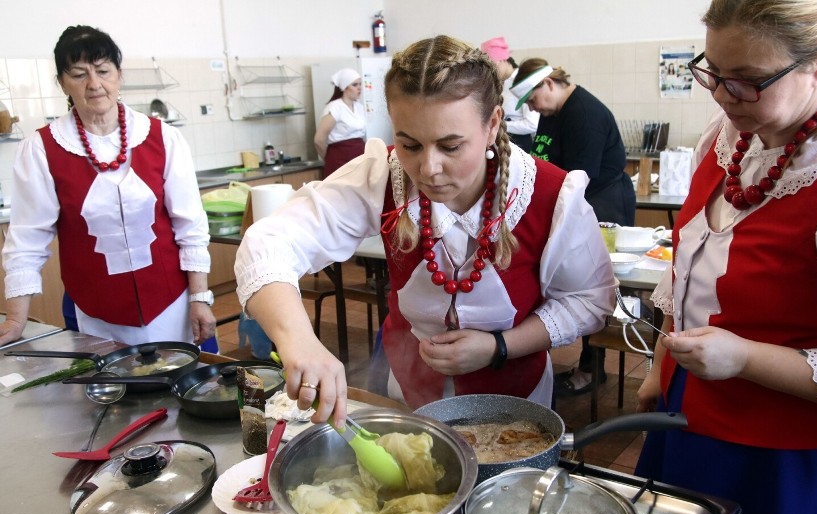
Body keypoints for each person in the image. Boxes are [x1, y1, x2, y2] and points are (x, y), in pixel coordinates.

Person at [235, 35, 616, 428]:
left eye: (451, 146)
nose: (428, 168)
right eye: (410, 144)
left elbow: (590, 300)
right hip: (410, 395)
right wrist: (299, 340)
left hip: (516, 406)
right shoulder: (382, 175)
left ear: (492, 125)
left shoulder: (551, 194)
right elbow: (268, 243)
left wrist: (499, 346)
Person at [635, 1, 817, 514]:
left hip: (782, 453)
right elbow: (688, 261)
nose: (722, 94)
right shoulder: (730, 134)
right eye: (712, 71)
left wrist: (747, 358)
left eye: (748, 79)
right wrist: (658, 367)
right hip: (689, 412)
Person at [0, 25, 216, 347]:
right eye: (78, 74)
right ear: (61, 82)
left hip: (173, 306)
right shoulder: (42, 149)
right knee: (119, 394)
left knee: (186, 387)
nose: (94, 84)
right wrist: (16, 320)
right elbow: (27, 238)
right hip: (98, 317)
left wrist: (200, 296)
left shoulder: (163, 137)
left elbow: (190, 223)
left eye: (103, 70)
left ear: (119, 75)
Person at [511, 57, 636, 396]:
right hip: (572, 205)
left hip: (602, 203)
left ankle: (590, 368)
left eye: (533, 99)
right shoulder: (553, 113)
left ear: (548, 84)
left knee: (593, 287)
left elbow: (579, 177)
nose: (534, 108)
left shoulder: (584, 114)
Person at [480, 36, 540, 152]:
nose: (492, 72)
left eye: (493, 66)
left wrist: (500, 124)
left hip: (521, 144)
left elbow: (532, 124)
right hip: (502, 141)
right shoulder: (501, 84)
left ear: (503, 60)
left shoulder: (521, 82)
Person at [314, 68, 366, 179]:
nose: (359, 88)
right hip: (339, 160)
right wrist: (329, 158)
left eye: (360, 84)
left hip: (360, 158)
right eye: (355, 84)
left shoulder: (359, 107)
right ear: (344, 87)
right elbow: (319, 140)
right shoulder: (335, 107)